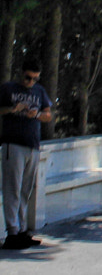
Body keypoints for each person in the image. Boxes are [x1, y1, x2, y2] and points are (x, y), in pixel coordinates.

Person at [0, 58, 53, 250]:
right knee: (12, 188)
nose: (30, 82)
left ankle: (22, 230)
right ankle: (12, 232)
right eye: (28, 78)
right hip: (13, 144)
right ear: (21, 73)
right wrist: (14, 109)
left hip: (33, 145)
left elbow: (48, 114)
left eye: (34, 79)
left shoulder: (39, 92)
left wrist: (36, 115)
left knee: (25, 190)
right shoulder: (8, 89)